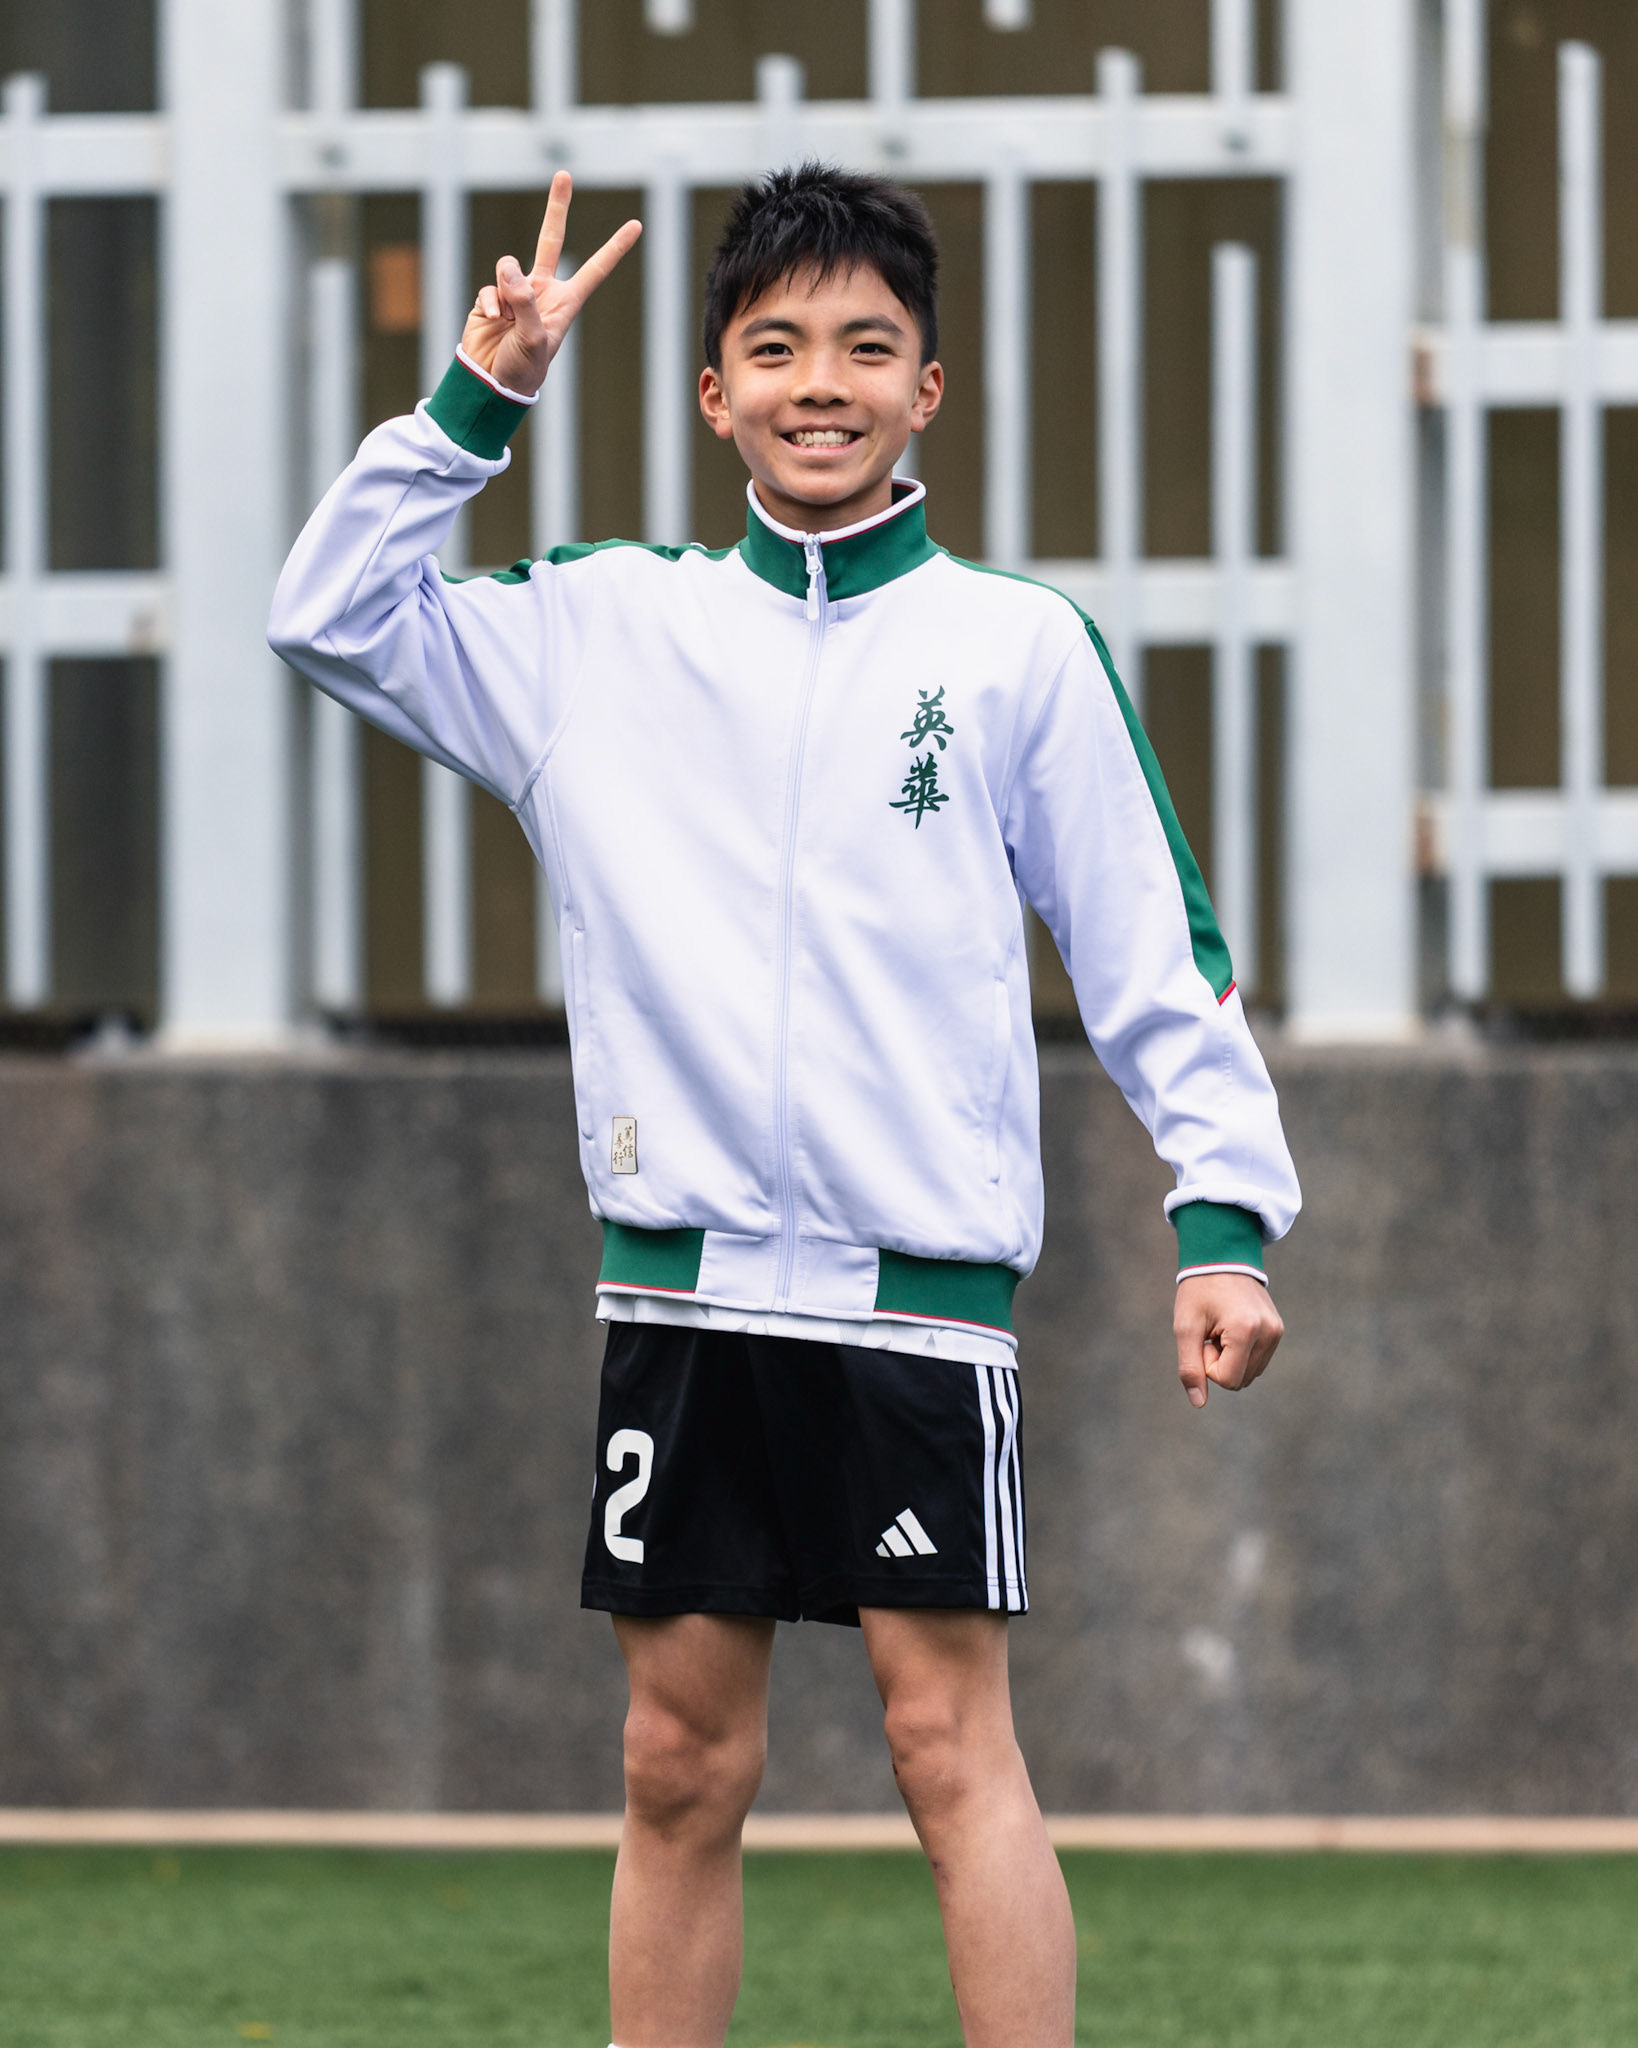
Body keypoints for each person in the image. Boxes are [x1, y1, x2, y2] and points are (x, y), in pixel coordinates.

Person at [270, 161, 1299, 2048]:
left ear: (927, 391)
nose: (816, 381)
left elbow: (1161, 952)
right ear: (711, 396)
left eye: (863, 348)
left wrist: (1219, 1219)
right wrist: (475, 401)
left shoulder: (1013, 649)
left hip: (916, 1300)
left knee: (942, 1746)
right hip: (683, 1292)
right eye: (773, 348)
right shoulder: (598, 629)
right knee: (676, 1762)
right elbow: (328, 614)